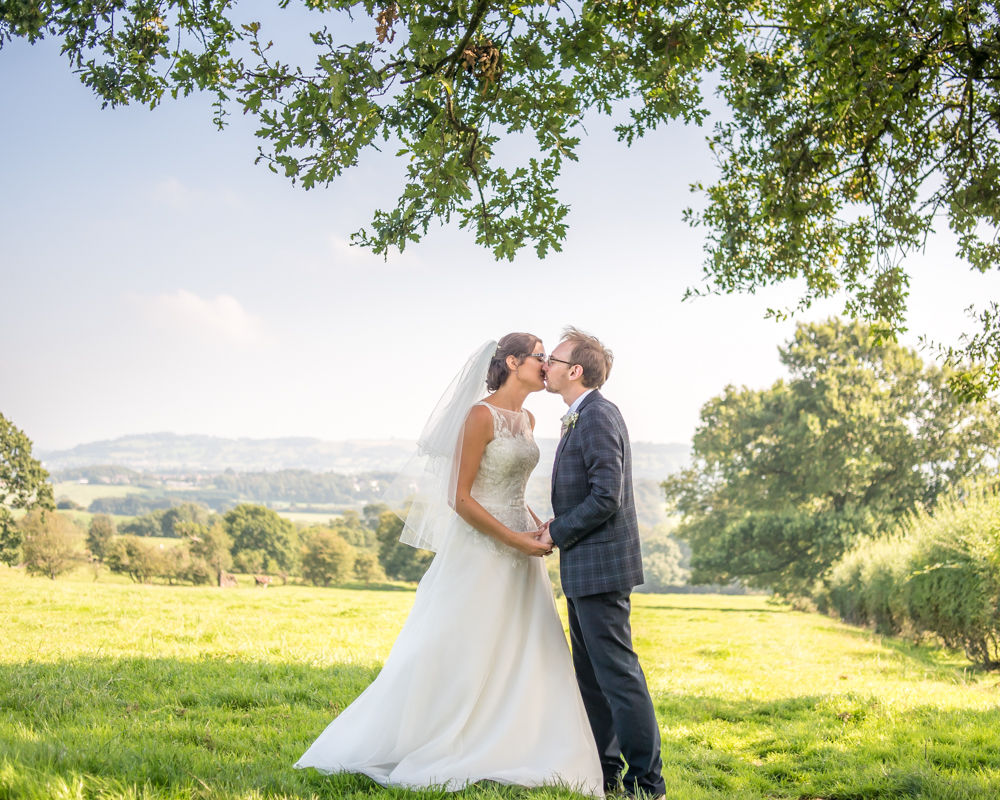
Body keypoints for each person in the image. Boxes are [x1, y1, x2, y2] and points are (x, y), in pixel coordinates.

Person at [295, 333, 604, 797]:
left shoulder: (528, 417)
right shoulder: (480, 415)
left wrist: (537, 525)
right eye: (538, 356)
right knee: (464, 639)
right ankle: (441, 735)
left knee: (525, 643)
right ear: (514, 361)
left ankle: (516, 738)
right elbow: (458, 497)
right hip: (483, 546)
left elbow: (512, 487)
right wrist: (513, 539)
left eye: (547, 357)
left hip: (522, 540)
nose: (546, 364)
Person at [538, 327, 666, 800]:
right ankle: (605, 775)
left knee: (619, 677)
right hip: (583, 569)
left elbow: (606, 497)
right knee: (593, 681)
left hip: (601, 570)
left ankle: (648, 785)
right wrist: (555, 523)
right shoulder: (582, 415)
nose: (545, 365)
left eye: (552, 359)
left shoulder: (595, 416)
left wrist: (556, 531)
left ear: (575, 370)